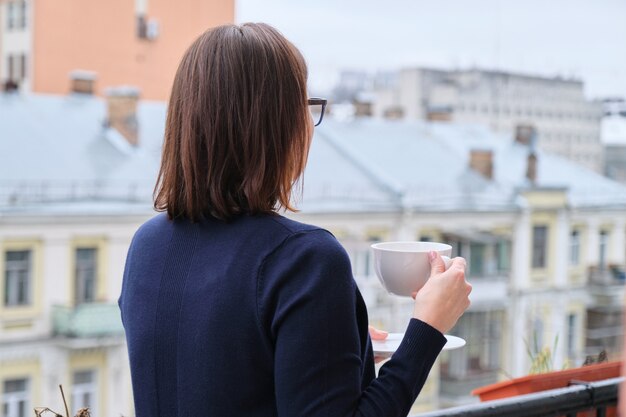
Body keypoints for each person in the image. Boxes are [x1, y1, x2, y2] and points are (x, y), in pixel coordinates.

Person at [118, 22, 471, 417]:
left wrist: (333, 355)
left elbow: (216, 379)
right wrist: (428, 327)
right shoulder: (305, 261)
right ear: (279, 126)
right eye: (304, 106)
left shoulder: (146, 246)